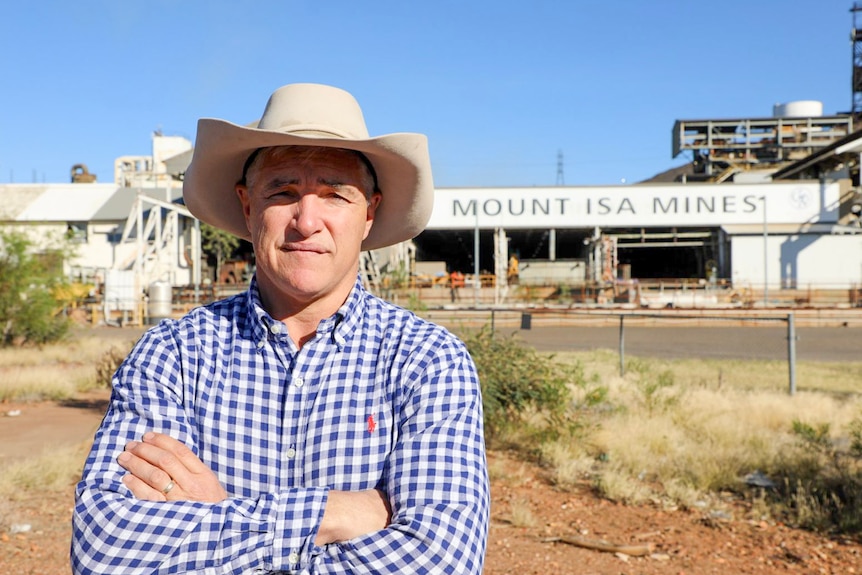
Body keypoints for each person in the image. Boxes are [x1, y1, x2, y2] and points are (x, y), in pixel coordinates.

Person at [71, 83, 490, 574]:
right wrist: (338, 513)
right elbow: (106, 553)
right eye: (283, 191)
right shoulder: (173, 356)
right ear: (248, 206)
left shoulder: (426, 360)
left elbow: (443, 560)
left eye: (335, 194)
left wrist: (219, 512)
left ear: (369, 214)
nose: (306, 221)